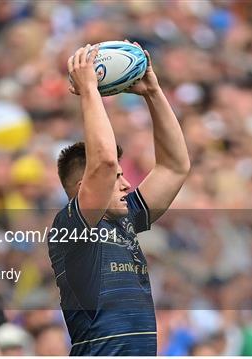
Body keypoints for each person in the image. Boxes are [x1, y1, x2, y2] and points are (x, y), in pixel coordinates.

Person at [47, 42, 190, 355]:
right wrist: (89, 91)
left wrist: (153, 92)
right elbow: (105, 162)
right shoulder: (69, 228)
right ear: (84, 186)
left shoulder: (124, 220)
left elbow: (175, 167)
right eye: (116, 180)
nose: (127, 184)